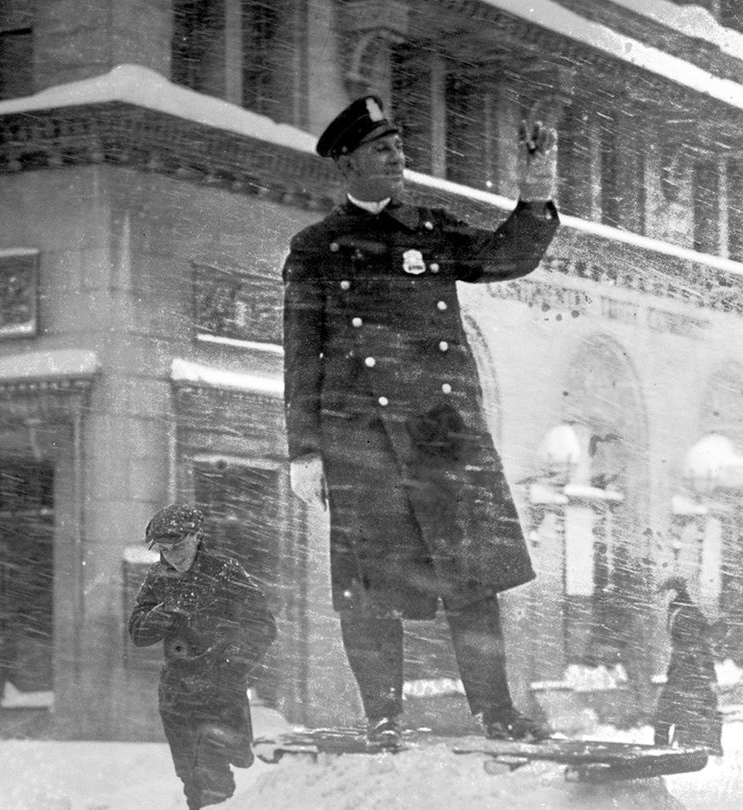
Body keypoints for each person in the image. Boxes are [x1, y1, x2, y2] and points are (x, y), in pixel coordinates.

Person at [281, 94, 559, 746]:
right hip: (363, 444)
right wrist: (304, 451)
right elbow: (301, 357)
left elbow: (504, 257)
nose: (398, 155)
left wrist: (536, 198)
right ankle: (382, 717)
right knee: (369, 592)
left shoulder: (429, 230)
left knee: (472, 581)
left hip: (440, 436)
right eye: (382, 147)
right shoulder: (315, 248)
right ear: (347, 164)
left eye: (400, 143)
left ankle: (496, 714)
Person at [128, 504, 277, 810]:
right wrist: (163, 612)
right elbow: (138, 634)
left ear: (197, 537)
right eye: (164, 549)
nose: (172, 556)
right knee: (190, 777)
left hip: (218, 693)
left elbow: (262, 625)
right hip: (176, 695)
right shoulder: (158, 578)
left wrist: (230, 664)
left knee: (212, 774)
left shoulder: (225, 572)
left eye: (179, 546)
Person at [653, 577, 723, 756]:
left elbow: (696, 646)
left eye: (665, 592)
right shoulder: (680, 610)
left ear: (673, 593)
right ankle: (666, 750)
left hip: (689, 670)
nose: (661, 597)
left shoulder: (685, 614)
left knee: (671, 712)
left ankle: (667, 751)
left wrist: (707, 675)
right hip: (684, 668)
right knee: (675, 712)